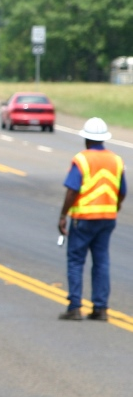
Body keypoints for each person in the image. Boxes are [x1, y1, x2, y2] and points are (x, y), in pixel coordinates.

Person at [57, 116, 125, 321]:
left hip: (84, 218)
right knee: (101, 261)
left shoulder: (82, 159)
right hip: (107, 218)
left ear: (86, 139)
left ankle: (75, 306)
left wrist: (63, 215)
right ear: (104, 139)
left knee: (76, 261)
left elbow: (72, 191)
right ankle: (101, 308)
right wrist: (116, 205)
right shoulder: (116, 160)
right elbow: (122, 190)